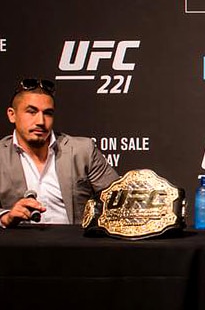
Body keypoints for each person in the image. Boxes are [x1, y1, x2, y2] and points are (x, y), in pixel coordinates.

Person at [0, 78, 119, 227]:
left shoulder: (83, 151)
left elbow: (119, 199)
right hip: (17, 247)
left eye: (48, 113)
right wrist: (5, 217)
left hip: (76, 245)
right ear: (12, 115)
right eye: (31, 112)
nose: (41, 121)